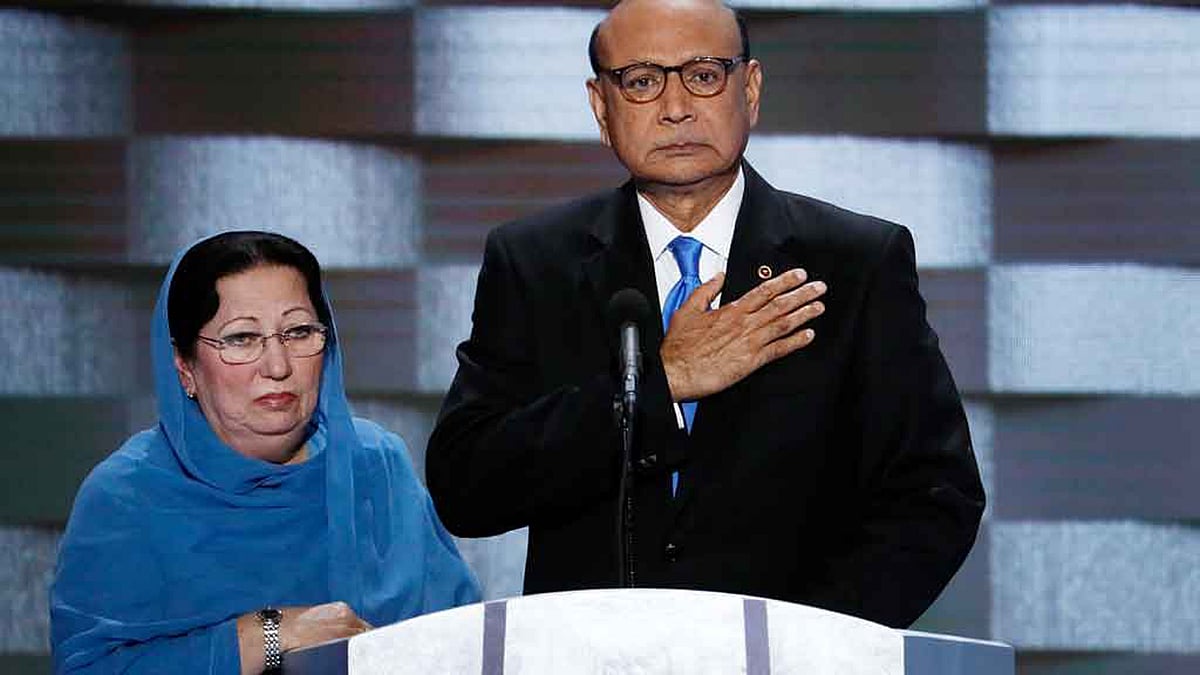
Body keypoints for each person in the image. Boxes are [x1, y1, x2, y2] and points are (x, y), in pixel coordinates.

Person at [425, 0, 984, 629]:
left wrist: (812, 644)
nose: (675, 107)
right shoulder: (533, 261)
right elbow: (467, 487)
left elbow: (935, 494)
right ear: (600, 108)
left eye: (703, 74)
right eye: (641, 81)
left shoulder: (855, 262)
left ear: (749, 89)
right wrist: (659, 386)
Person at [51, 231, 480, 674]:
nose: (277, 366)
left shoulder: (376, 464)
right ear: (185, 369)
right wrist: (267, 635)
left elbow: (462, 639)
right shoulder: (127, 496)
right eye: (241, 338)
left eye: (298, 332)